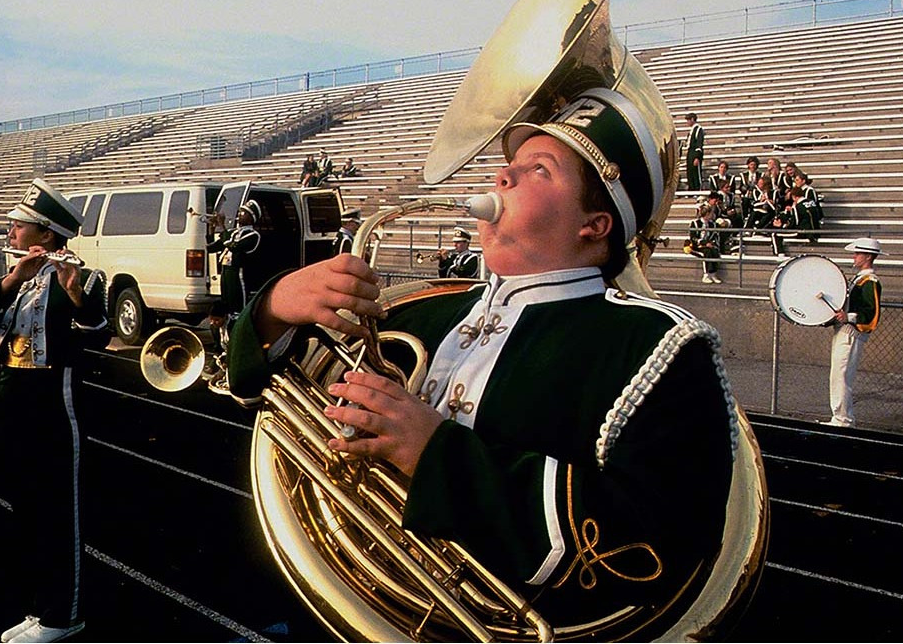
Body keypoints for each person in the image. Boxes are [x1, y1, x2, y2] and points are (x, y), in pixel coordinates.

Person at [225, 88, 737, 625]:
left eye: (539, 170)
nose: (503, 175)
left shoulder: (658, 344)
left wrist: (435, 454)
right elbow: (262, 397)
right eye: (510, 165)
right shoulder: (419, 310)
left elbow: (658, 545)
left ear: (595, 224)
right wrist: (275, 309)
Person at [0, 178, 108, 644]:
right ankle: (40, 609)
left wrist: (75, 294)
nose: (11, 234)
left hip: (54, 407)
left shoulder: (83, 278)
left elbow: (98, 334)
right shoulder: (14, 278)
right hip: (13, 401)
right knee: (27, 514)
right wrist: (11, 280)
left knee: (58, 515)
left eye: (18, 227)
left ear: (45, 233)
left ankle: (64, 616)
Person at [820, 237, 882, 427]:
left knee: (842, 376)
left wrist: (848, 317)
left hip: (851, 333)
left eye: (858, 254)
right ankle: (839, 417)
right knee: (837, 375)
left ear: (868, 257)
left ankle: (843, 419)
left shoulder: (870, 281)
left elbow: (871, 313)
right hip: (844, 331)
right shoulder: (860, 279)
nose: (854, 257)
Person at [206, 199, 262, 326]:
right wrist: (211, 228)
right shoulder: (232, 233)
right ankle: (225, 332)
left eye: (244, 213)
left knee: (237, 306)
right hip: (226, 271)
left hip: (238, 273)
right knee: (225, 305)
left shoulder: (253, 235)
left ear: (251, 218)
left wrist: (222, 226)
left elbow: (233, 246)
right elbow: (211, 248)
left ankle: (239, 328)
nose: (239, 215)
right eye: (240, 212)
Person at [771, 186, 818, 256]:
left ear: (794, 196)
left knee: (775, 234)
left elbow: (795, 223)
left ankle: (780, 253)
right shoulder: (812, 202)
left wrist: (783, 226)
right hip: (815, 232)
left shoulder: (797, 206)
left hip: (803, 232)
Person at [684, 203, 722, 284]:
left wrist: (712, 243)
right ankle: (706, 275)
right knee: (707, 252)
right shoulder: (695, 223)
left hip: (708, 244)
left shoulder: (712, 224)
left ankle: (713, 274)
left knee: (714, 251)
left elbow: (714, 236)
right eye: (711, 213)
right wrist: (704, 242)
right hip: (696, 245)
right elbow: (693, 237)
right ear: (707, 214)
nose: (712, 215)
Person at [684, 112, 705, 191]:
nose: (687, 122)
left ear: (692, 119)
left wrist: (697, 157)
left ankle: (697, 189)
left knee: (696, 173)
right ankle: (691, 189)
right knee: (690, 172)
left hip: (694, 153)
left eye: (688, 120)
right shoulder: (692, 130)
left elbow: (699, 143)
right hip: (690, 152)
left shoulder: (698, 129)